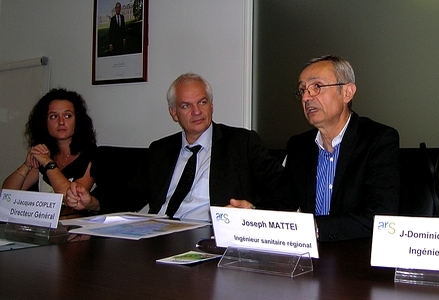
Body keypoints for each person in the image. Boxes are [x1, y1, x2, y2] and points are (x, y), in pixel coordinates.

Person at [66, 73, 283, 221]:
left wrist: (253, 212)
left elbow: (282, 190)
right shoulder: (160, 150)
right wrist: (93, 202)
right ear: (173, 113)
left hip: (208, 236)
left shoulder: (241, 143)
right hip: (158, 234)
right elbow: (131, 196)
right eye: (186, 106)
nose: (197, 111)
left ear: (212, 105)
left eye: (202, 102)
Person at [231, 55, 400, 241]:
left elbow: (380, 217)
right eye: (302, 90)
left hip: (357, 257)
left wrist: (314, 228)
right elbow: (283, 203)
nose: (305, 97)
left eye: (316, 87)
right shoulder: (300, 146)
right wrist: (253, 215)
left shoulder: (378, 140)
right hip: (311, 257)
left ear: (347, 92)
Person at [2, 88, 97, 217]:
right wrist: (26, 165)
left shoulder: (92, 154)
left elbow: (73, 199)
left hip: (74, 229)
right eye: (53, 116)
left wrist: (48, 163)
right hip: (42, 226)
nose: (61, 122)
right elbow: (7, 195)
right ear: (44, 122)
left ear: (78, 120)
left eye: (68, 115)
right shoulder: (45, 153)